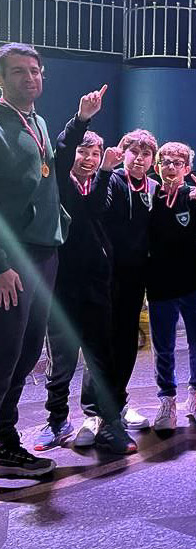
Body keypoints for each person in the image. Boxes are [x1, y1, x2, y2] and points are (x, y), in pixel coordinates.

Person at [34, 97, 137, 455]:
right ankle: (57, 421)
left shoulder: (103, 183)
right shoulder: (58, 181)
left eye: (95, 154)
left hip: (96, 283)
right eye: (84, 152)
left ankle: (108, 423)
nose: (90, 159)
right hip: (62, 283)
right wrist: (81, 119)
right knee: (61, 359)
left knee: (100, 356)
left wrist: (106, 171)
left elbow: (95, 209)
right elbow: (62, 152)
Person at [0, 44, 67, 476]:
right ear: (1, 78)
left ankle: (5, 439)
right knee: (4, 353)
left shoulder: (38, 121)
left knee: (26, 355)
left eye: (35, 70)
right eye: (18, 71)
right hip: (13, 260)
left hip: (44, 253)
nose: (30, 78)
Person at [147, 142, 196, 430]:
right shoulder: (148, 197)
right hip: (159, 284)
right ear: (157, 166)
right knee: (163, 346)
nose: (170, 167)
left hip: (193, 282)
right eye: (165, 162)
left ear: (187, 168)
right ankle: (167, 400)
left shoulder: (195, 196)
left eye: (177, 163)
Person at [102, 129, 160, 431]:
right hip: (106, 274)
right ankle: (96, 411)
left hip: (136, 277)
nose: (139, 159)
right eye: (134, 152)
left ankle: (118, 403)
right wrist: (103, 170)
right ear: (122, 153)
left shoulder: (154, 188)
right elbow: (97, 210)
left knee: (126, 340)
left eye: (146, 154)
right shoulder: (110, 180)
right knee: (102, 341)